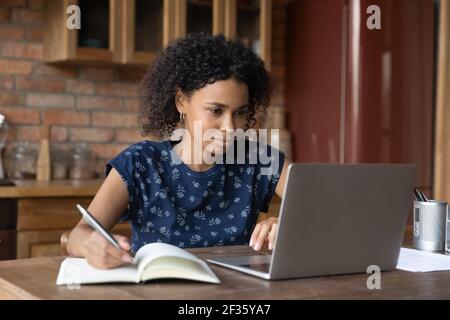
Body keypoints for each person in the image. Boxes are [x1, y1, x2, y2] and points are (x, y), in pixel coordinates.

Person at [67, 33, 290, 269]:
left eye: (240, 112)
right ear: (181, 101)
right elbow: (78, 234)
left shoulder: (259, 159)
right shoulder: (141, 163)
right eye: (216, 111)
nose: (230, 127)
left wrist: (289, 223)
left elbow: (324, 210)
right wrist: (92, 244)